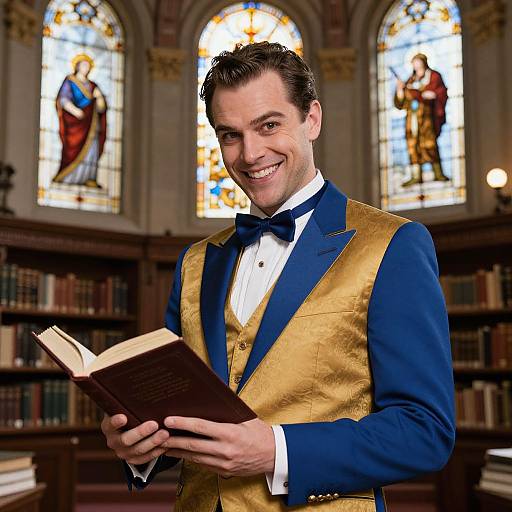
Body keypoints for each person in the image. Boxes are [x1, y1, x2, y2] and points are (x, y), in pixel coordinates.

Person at [101, 42, 455, 511]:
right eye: (230, 134)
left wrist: (275, 451)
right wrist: (137, 448)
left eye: (268, 125)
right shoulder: (196, 262)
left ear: (312, 118)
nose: (250, 154)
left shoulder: (393, 245)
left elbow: (424, 430)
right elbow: (174, 409)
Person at [394, 53, 449, 187]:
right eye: (414, 62)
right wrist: (400, 90)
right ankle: (415, 175)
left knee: (429, 143)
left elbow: (441, 92)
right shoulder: (410, 81)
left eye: (418, 61)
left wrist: (433, 95)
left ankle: (438, 173)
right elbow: (401, 104)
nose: (416, 64)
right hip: (412, 119)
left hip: (427, 117)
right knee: (413, 145)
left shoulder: (433, 76)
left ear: (424, 62)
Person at [53, 53, 107, 188]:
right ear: (77, 66)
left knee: (91, 149)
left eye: (88, 66)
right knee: (72, 149)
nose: (86, 68)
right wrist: (76, 111)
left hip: (91, 125)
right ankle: (68, 177)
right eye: (84, 65)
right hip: (75, 124)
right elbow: (63, 100)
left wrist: (99, 98)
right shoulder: (70, 81)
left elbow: (101, 108)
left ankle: (89, 178)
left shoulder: (93, 86)